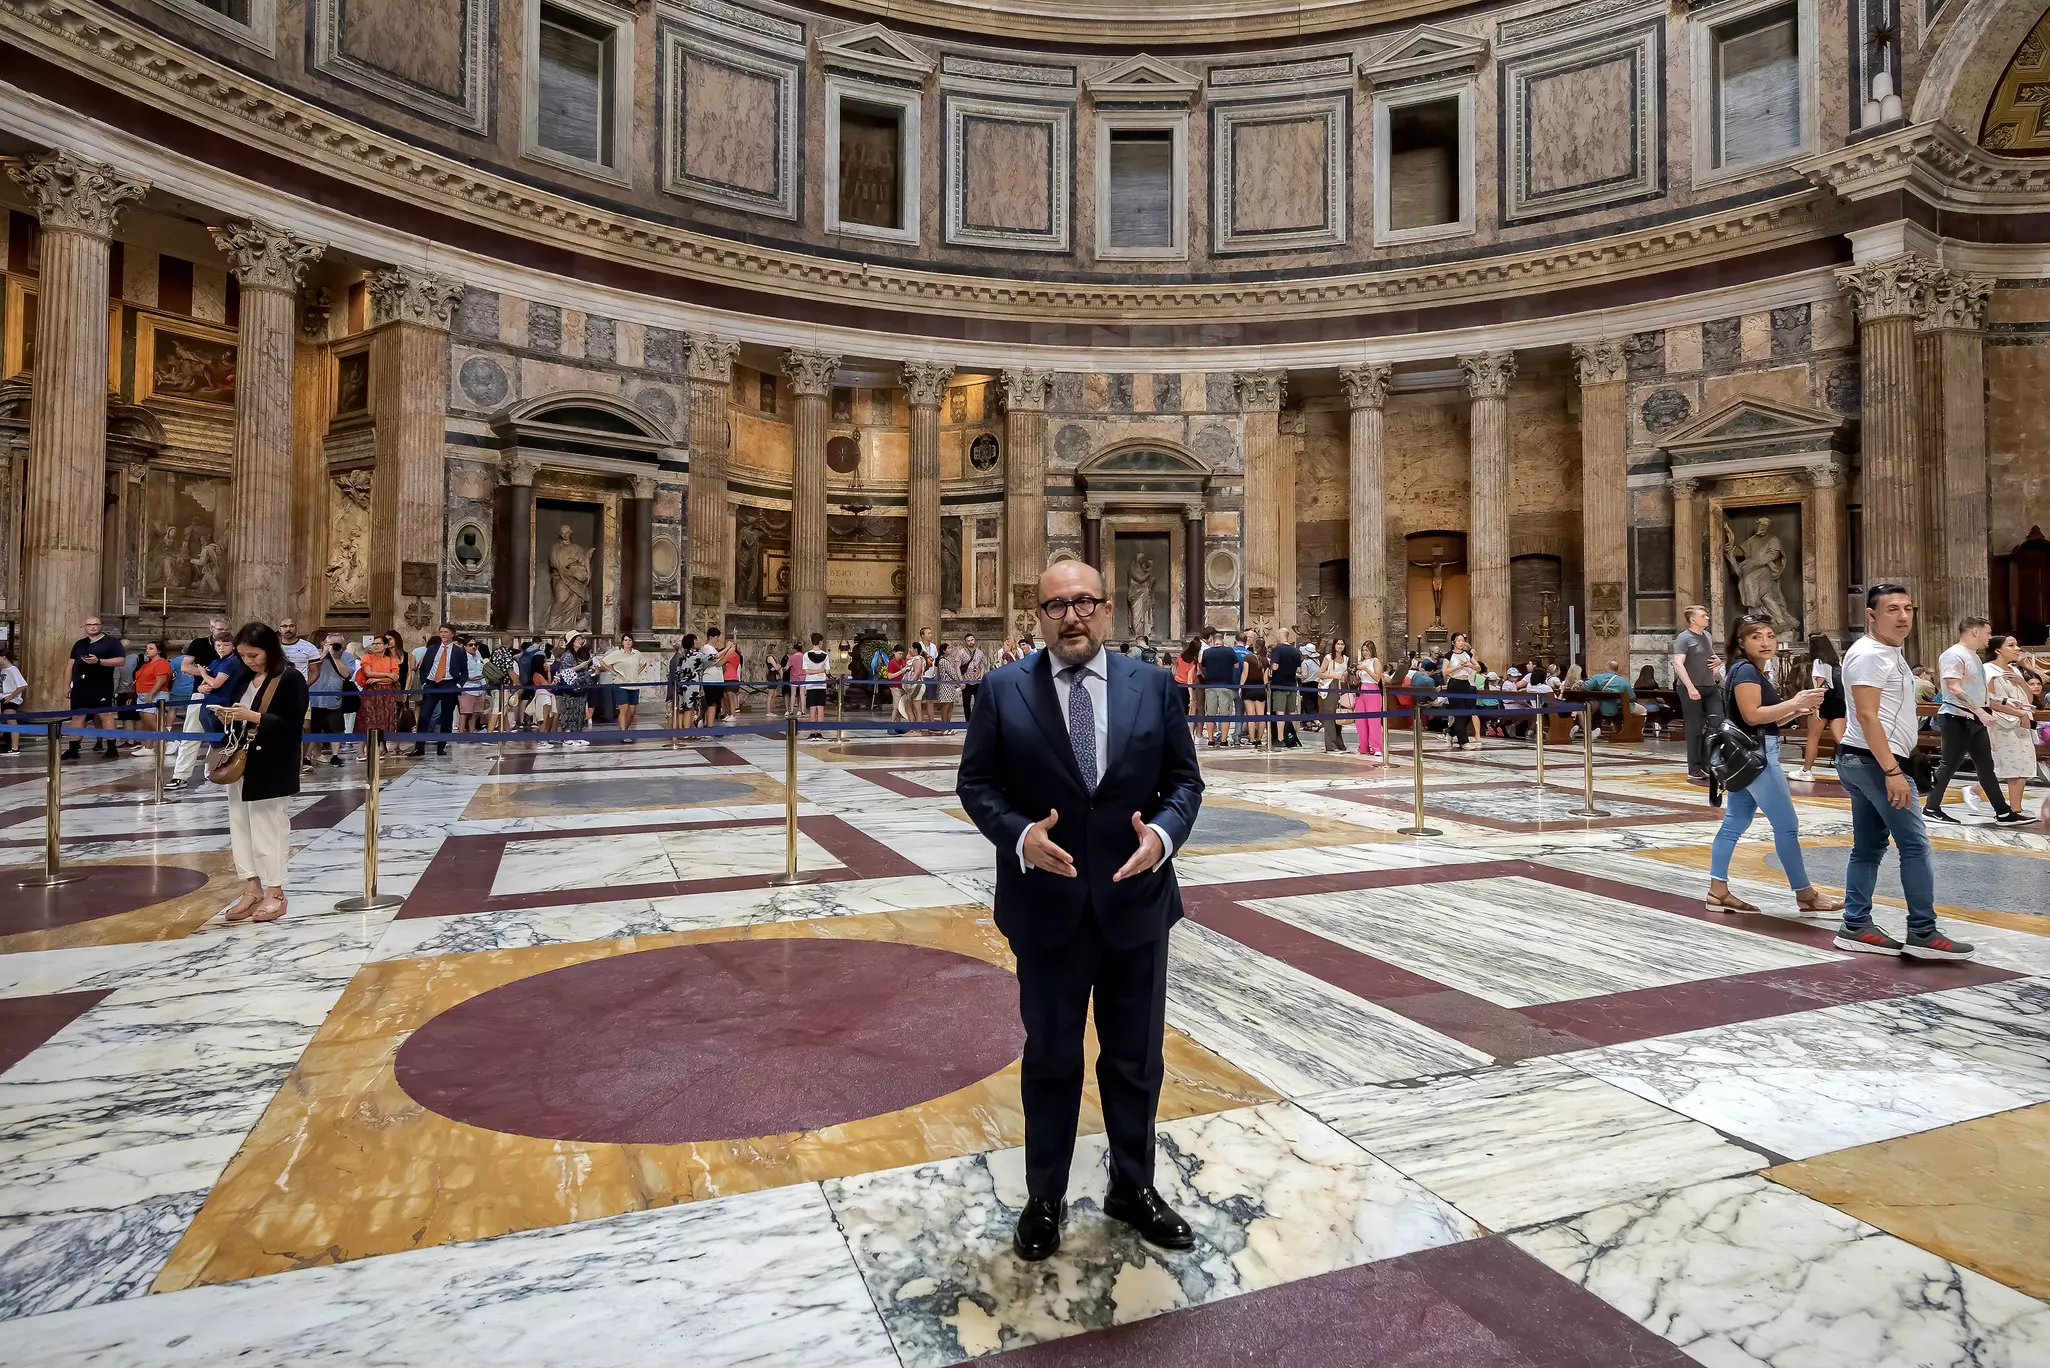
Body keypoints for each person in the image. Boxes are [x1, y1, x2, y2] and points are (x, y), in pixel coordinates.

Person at [956, 560, 1202, 1263]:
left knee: (1135, 1061)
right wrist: (1019, 834)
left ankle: (1134, 1187)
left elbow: (1184, 782)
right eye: (1056, 605)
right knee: (1053, 1059)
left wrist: (1161, 836)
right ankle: (1045, 1197)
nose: (1072, 615)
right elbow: (977, 784)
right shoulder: (1003, 690)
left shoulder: (1152, 685)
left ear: (1108, 607)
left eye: (1085, 602)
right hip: (1048, 908)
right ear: (1038, 616)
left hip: (1137, 904)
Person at [1833, 585, 1976, 959]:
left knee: (1868, 847)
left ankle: (1855, 925)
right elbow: (1865, 715)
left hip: (1865, 759)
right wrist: (1893, 770)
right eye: (1892, 609)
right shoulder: (1868, 655)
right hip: (1874, 763)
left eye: (1908, 608)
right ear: (1871, 615)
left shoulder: (1889, 652)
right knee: (1914, 845)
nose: (1903, 616)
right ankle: (1923, 932)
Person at [1703, 614, 1842, 916]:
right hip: (1759, 758)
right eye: (1756, 637)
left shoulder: (1751, 671)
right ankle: (1805, 894)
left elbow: (1766, 719)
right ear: (1741, 642)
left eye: (1769, 635)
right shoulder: (1746, 672)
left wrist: (1797, 709)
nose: (1765, 642)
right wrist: (1794, 702)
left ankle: (1717, 892)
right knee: (1787, 826)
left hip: (1752, 751)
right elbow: (1752, 716)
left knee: (1735, 823)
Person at [208, 622, 308, 925]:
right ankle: (250, 887)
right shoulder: (243, 677)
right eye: (243, 656)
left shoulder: (290, 679)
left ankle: (275, 892)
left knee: (268, 827)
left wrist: (253, 716)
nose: (248, 661)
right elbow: (236, 710)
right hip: (241, 760)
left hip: (272, 762)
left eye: (254, 655)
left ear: (269, 649)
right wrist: (226, 715)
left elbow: (292, 725)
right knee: (240, 825)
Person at [1924, 617, 2030, 826]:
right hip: (1956, 717)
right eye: (1988, 633)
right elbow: (1953, 688)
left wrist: (2009, 701)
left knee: (1986, 766)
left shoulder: (1973, 657)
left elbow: (1980, 694)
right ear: (1974, 632)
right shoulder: (1953, 655)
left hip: (1973, 718)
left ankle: (2003, 812)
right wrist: (1980, 712)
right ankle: (1931, 807)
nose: (1989, 638)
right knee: (1949, 764)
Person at [168, 627, 243, 791]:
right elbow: (199, 678)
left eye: (225, 644)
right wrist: (202, 686)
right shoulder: (213, 658)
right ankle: (183, 775)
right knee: (201, 736)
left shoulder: (233, 661)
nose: (221, 647)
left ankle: (218, 776)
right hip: (205, 701)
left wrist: (202, 673)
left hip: (223, 703)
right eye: (218, 644)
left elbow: (215, 682)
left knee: (221, 740)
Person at [1978, 634, 2038, 818]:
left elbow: (2029, 698)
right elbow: (1990, 701)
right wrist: (2017, 713)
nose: (2017, 648)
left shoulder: (2015, 670)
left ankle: (2016, 808)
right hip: (2004, 724)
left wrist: (2021, 682)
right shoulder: (1988, 670)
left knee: (2024, 766)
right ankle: (2011, 809)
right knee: (2011, 767)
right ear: (1998, 650)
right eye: (2011, 645)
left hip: (2023, 723)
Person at [1672, 605, 1722, 785]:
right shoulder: (1683, 639)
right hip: (1690, 688)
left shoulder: (1707, 636)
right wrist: (1690, 687)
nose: (1708, 618)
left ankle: (1706, 760)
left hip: (1709, 686)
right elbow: (1678, 664)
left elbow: (1711, 657)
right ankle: (1694, 767)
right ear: (1693, 619)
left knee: (1718, 721)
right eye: (1704, 615)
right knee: (1694, 728)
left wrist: (1718, 661)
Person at [66, 615, 124, 761]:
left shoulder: (112, 643)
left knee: (105, 715)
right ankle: (73, 748)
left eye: (96, 624)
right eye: (89, 624)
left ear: (101, 625)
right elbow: (70, 665)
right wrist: (66, 685)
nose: (93, 627)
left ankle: (111, 747)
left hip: (101, 684)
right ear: (84, 627)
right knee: (78, 716)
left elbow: (121, 661)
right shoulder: (79, 644)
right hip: (80, 685)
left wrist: (99, 661)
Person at [409, 624, 469, 757]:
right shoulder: (432, 649)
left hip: (449, 684)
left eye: (446, 632)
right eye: (441, 632)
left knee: (446, 716)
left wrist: (458, 685)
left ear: (452, 634)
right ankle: (419, 747)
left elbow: (465, 671)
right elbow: (424, 667)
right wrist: (424, 682)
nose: (443, 634)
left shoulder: (459, 651)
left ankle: (441, 746)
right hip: (432, 684)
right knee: (424, 715)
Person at [1794, 633, 1846, 784]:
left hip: (1824, 699)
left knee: (1813, 737)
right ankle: (1855, 765)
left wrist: (1816, 707)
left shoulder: (1818, 662)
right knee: (1841, 738)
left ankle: (1806, 771)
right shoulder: (1837, 662)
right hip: (1838, 700)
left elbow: (1820, 685)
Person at [307, 633, 357, 766]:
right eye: (331, 644)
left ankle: (335, 755)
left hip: (335, 697)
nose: (334, 647)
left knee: (336, 728)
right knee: (315, 728)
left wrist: (336, 658)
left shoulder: (347, 657)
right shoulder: (315, 654)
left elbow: (346, 674)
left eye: (337, 644)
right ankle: (308, 755)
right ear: (324, 643)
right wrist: (323, 654)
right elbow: (308, 669)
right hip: (315, 696)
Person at [352, 633, 404, 757]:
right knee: (367, 720)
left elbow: (395, 678)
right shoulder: (367, 657)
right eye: (374, 643)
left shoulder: (392, 659)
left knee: (384, 720)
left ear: (386, 645)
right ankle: (361, 751)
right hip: (370, 694)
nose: (375, 646)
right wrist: (387, 675)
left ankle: (382, 748)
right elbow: (368, 673)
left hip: (387, 694)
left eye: (379, 643)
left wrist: (377, 679)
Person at [125, 641, 173, 754]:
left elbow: (160, 680)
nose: (147, 650)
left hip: (156, 694)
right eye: (147, 648)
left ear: (159, 651)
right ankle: (148, 746)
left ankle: (171, 740)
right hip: (142, 694)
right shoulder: (146, 664)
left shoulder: (161, 663)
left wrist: (151, 694)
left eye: (151, 648)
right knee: (145, 721)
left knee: (151, 719)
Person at [601, 633, 648, 740]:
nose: (628, 642)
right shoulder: (617, 654)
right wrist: (613, 672)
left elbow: (644, 663)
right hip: (620, 684)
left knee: (632, 711)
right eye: (625, 640)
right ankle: (623, 734)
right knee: (624, 709)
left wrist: (637, 672)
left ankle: (624, 730)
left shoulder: (637, 653)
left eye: (630, 640)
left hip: (634, 684)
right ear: (622, 642)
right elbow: (603, 662)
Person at [1198, 628, 1239, 747]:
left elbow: (1202, 666)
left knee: (1210, 714)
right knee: (1225, 714)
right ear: (1222, 641)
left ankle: (1210, 739)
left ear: (1213, 641)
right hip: (1225, 685)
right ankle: (1223, 740)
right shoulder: (1229, 651)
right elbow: (1236, 666)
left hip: (1210, 685)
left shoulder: (1207, 652)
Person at [1442, 632, 1478, 749]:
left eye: (1463, 640)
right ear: (1453, 642)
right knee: (1460, 712)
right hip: (1454, 684)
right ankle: (1463, 742)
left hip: (1466, 684)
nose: (1461, 643)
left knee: (1468, 713)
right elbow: (1445, 671)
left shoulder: (1467, 654)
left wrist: (1469, 665)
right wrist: (1458, 667)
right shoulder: (1449, 655)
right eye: (1459, 640)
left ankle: (1450, 731)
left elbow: (1478, 667)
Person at [1269, 627, 1303, 749]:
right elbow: (1299, 670)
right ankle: (1291, 736)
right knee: (1291, 712)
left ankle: (1280, 738)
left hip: (1280, 685)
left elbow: (1275, 667)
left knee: (1280, 712)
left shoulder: (1277, 650)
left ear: (1280, 635)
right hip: (1292, 685)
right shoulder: (1295, 651)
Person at [1237, 635, 1270, 749]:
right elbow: (1266, 679)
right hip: (1261, 689)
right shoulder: (1266, 660)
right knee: (1261, 716)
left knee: (1251, 716)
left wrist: (1240, 687)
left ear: (1254, 646)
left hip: (1249, 688)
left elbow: (1245, 674)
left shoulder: (1248, 658)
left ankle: (1251, 739)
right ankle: (1259, 739)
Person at [1321, 636, 1352, 752]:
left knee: (1339, 714)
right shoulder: (1329, 658)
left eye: (1342, 644)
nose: (1340, 646)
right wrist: (1334, 676)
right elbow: (1320, 673)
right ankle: (1330, 744)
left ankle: (1339, 742)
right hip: (1331, 686)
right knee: (1330, 716)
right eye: (1338, 644)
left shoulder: (1346, 658)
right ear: (1334, 645)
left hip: (1342, 687)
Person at [1355, 639, 1386, 759]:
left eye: (1366, 650)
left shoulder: (1375, 661)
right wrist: (1356, 673)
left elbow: (1377, 678)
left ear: (1371, 650)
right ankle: (1363, 746)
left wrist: (1365, 669)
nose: (1364, 653)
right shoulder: (1361, 662)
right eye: (1363, 650)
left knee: (1373, 721)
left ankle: (1376, 747)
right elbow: (1359, 679)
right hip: (1361, 690)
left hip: (1372, 690)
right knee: (1360, 720)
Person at [799, 633, 832, 737]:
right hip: (821, 684)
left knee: (812, 708)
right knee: (820, 708)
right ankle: (819, 732)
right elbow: (827, 671)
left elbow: (807, 671)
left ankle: (812, 732)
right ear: (821, 642)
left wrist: (815, 671)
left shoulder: (806, 655)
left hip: (810, 684)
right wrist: (821, 670)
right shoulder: (825, 655)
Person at [667, 634, 703, 727]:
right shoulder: (691, 656)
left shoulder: (681, 657)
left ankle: (681, 730)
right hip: (687, 686)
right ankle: (685, 731)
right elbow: (713, 658)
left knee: (682, 709)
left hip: (681, 686)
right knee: (687, 708)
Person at [1173, 637, 1201, 734]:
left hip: (1177, 683)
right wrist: (1191, 697)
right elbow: (1189, 680)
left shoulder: (1180, 656)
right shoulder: (1192, 663)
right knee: (1185, 711)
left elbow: (1176, 670)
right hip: (1185, 686)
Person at [0, 646, 25, 754]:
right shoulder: (3, 670)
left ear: (4, 657)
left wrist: (11, 697)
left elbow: (22, 685)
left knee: (11, 721)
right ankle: (7, 744)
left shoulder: (13, 670)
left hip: (11, 699)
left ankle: (15, 748)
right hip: (3, 698)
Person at [934, 639, 963, 725]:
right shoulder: (944, 661)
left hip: (949, 686)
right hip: (946, 686)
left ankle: (947, 725)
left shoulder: (945, 660)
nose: (951, 650)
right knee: (946, 707)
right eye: (949, 648)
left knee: (949, 706)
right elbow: (952, 673)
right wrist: (960, 683)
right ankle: (945, 726)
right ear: (944, 650)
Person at [960, 633, 988, 721]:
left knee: (978, 703)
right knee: (966, 704)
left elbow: (982, 666)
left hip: (977, 682)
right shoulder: (961, 652)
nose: (970, 642)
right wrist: (961, 681)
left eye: (972, 640)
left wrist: (982, 677)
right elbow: (957, 667)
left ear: (975, 640)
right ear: (965, 642)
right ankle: (968, 721)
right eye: (968, 641)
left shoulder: (980, 653)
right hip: (966, 681)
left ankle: (977, 721)